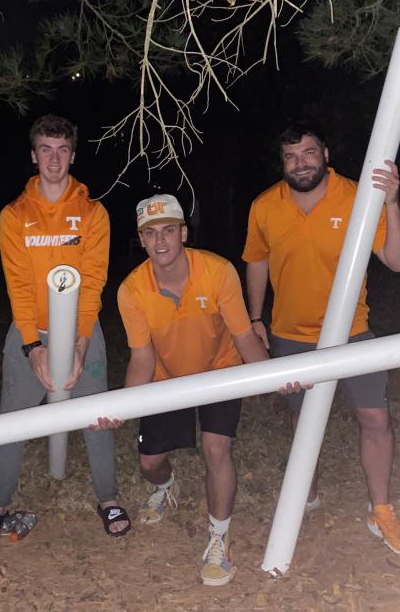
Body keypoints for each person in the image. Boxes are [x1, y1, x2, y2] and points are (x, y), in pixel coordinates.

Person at [93, 194, 298, 586]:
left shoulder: (219, 272)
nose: (161, 241)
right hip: (168, 379)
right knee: (150, 463)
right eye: (150, 234)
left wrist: (275, 377)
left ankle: (218, 539)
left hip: (219, 371)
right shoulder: (131, 290)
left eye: (168, 230)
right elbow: (141, 360)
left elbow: (244, 339)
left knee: (215, 448)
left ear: (183, 233)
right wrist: (119, 407)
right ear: (141, 240)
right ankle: (166, 487)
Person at [242, 122, 400, 555]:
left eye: (308, 153)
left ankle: (382, 510)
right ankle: (308, 492)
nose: (301, 163)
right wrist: (255, 317)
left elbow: (399, 261)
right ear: (282, 163)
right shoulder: (265, 206)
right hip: (290, 335)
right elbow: (257, 262)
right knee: (305, 424)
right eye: (291, 156)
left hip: (353, 332)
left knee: (375, 420)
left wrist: (390, 202)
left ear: (325, 153)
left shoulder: (359, 196)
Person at [0, 114, 130, 542]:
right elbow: (18, 285)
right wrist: (30, 346)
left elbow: (93, 281)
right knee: (13, 420)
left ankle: (108, 498)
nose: (54, 158)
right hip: (29, 330)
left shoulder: (93, 213)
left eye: (62, 150)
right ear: (34, 155)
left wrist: (79, 344)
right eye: (46, 149)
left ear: (72, 155)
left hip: (83, 330)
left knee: (96, 416)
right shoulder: (13, 215)